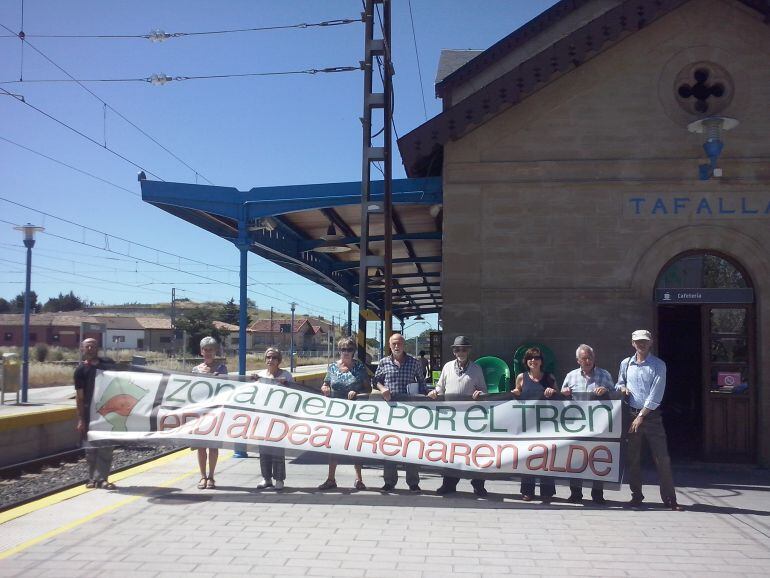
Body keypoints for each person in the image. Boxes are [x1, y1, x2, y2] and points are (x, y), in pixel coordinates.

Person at [616, 330, 684, 511]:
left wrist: (641, 416)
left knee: (662, 458)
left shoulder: (658, 365)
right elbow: (619, 382)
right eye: (638, 341)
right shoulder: (626, 363)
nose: (641, 344)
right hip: (631, 414)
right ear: (632, 343)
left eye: (644, 341)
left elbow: (656, 394)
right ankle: (636, 496)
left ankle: (670, 499)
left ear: (651, 342)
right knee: (633, 458)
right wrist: (622, 388)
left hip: (651, 416)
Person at [428, 335, 488, 497]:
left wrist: (480, 393)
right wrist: (435, 392)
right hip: (451, 417)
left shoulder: (476, 369)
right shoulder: (447, 367)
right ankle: (449, 484)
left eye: (464, 349)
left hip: (470, 419)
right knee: (451, 452)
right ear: (454, 351)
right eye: (457, 349)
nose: (461, 352)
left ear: (468, 351)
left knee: (475, 452)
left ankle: (478, 484)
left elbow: (484, 390)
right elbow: (440, 387)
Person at [561, 344, 614, 505]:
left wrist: (606, 391)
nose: (588, 360)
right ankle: (576, 493)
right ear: (578, 360)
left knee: (597, 459)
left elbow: (616, 395)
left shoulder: (604, 375)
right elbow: (562, 398)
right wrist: (564, 393)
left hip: (598, 426)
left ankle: (597, 494)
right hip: (577, 425)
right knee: (576, 459)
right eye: (584, 358)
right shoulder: (571, 376)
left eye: (590, 357)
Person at [374, 332, 426, 492]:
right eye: (394, 344)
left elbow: (422, 382)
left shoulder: (414, 362)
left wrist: (425, 396)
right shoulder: (383, 362)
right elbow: (375, 380)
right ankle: (389, 482)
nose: (397, 346)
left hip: (410, 413)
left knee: (411, 447)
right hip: (390, 412)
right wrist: (382, 389)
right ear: (389, 346)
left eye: (399, 343)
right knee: (390, 447)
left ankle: (413, 482)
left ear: (404, 345)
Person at [318, 336, 368, 491]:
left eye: (349, 349)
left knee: (355, 445)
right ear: (339, 351)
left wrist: (357, 391)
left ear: (353, 351)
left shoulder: (359, 367)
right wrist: (325, 387)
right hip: (335, 413)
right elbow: (326, 383)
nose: (346, 352)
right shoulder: (332, 367)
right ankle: (331, 479)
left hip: (354, 413)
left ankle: (359, 479)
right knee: (334, 445)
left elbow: (368, 388)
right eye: (343, 349)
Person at [513, 346, 559, 503]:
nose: (533, 360)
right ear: (526, 361)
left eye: (537, 358)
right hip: (528, 425)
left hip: (546, 424)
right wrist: (515, 393)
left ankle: (547, 491)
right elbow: (517, 395)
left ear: (541, 361)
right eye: (530, 358)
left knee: (546, 457)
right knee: (528, 458)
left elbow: (559, 400)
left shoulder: (549, 377)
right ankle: (527, 490)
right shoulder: (521, 377)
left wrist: (553, 393)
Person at [74, 338, 116, 489]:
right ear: (82, 349)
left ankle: (102, 479)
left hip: (108, 413)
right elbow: (79, 397)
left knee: (106, 448)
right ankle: (92, 479)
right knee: (90, 449)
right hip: (89, 414)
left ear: (98, 348)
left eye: (93, 345)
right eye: (87, 346)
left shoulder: (109, 364)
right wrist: (80, 419)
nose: (90, 348)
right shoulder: (80, 371)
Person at [252, 347, 293, 491]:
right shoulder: (260, 375)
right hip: (262, 417)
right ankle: (266, 478)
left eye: (274, 357)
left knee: (277, 450)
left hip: (279, 419)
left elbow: (294, 395)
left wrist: (286, 386)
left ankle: (279, 479)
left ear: (279, 360)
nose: (271, 360)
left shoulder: (286, 375)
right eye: (268, 357)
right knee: (263, 450)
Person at [191, 336, 227, 490]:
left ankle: (211, 476)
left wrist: (221, 379)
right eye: (205, 350)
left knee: (213, 446)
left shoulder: (221, 369)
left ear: (215, 351)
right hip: (200, 412)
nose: (208, 353)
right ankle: (202, 476)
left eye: (211, 350)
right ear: (201, 351)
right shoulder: (195, 370)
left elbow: (228, 387)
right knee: (200, 447)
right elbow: (191, 390)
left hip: (215, 412)